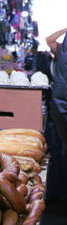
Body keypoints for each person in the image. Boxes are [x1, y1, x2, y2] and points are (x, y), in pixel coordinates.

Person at [44, 28, 67, 201]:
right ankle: (55, 194)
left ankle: (55, 194)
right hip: (59, 108)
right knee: (58, 152)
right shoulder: (61, 50)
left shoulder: (61, 52)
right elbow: (49, 39)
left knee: (58, 152)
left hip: (59, 108)